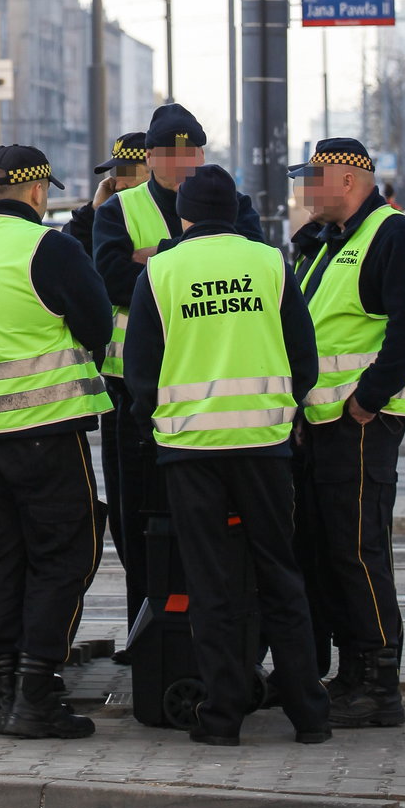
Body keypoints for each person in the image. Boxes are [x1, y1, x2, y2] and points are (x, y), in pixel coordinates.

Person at [124, 164, 330, 746]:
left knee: (211, 587)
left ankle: (222, 716)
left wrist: (156, 427)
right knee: (280, 576)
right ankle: (309, 714)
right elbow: (303, 356)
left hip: (189, 451)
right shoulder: (269, 264)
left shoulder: (160, 272)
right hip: (264, 448)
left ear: (184, 214)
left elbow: (140, 371)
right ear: (234, 211)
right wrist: (283, 413)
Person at [0, 144, 113, 739]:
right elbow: (98, 323)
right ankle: (35, 692)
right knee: (64, 555)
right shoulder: (46, 248)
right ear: (37, 191)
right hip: (45, 430)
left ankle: (0, 686)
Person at [290, 137, 405, 729]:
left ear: (349, 180)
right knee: (333, 552)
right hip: (328, 424)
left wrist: (369, 400)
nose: (304, 190)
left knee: (358, 551)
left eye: (313, 177)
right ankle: (353, 671)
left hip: (359, 425)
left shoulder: (391, 233)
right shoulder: (335, 241)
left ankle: (380, 684)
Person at [92, 102, 262, 632]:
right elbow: (113, 280)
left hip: (213, 388)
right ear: (149, 158)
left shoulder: (232, 202)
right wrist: (183, 259)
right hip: (132, 391)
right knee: (135, 518)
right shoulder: (118, 210)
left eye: (191, 151)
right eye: (170, 152)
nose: (182, 162)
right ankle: (145, 634)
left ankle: (213, 631)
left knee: (216, 522)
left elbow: (251, 263)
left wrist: (159, 256)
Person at [62, 132, 148, 567]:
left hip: (165, 381)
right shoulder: (108, 216)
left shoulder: (174, 210)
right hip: (116, 382)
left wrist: (151, 257)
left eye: (126, 173)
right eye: (114, 174)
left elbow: (114, 279)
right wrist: (93, 211)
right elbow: (85, 266)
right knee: (126, 511)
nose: (117, 181)